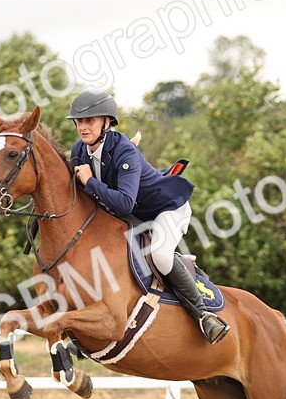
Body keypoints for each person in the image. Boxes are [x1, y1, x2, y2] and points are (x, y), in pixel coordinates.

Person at [66, 89, 229, 344]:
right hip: (134, 214)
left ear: (107, 123)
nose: (83, 127)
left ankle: (203, 316)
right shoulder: (80, 149)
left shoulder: (124, 151)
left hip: (165, 208)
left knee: (160, 255)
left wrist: (89, 181)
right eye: (79, 121)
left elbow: (123, 201)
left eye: (90, 120)